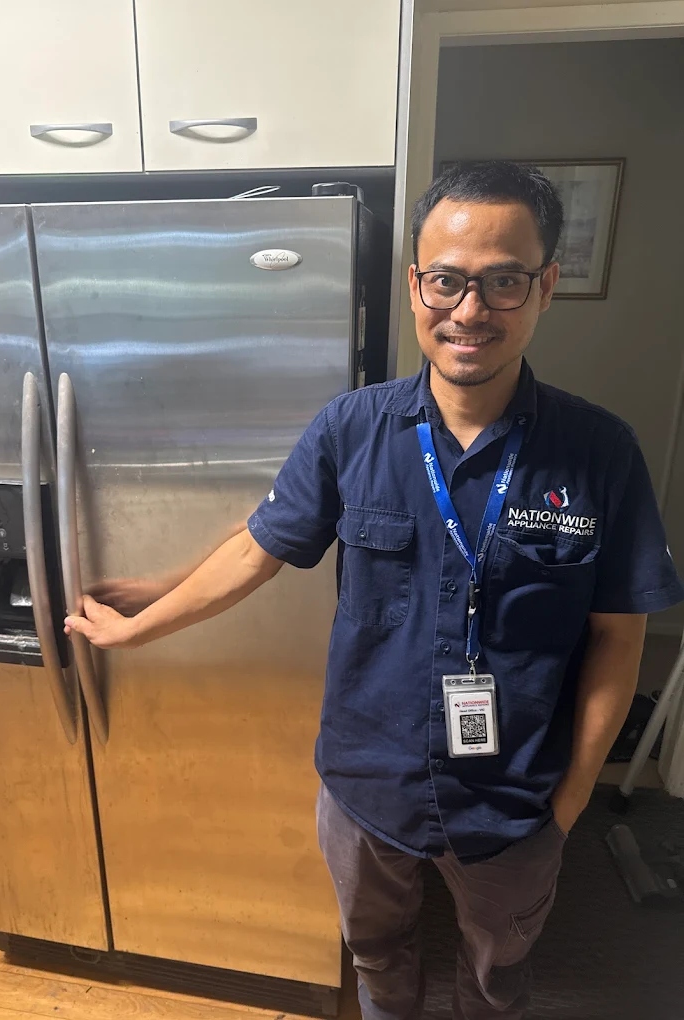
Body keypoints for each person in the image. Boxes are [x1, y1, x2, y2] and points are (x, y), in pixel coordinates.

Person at [65, 160, 684, 1020]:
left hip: (516, 796)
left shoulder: (601, 453)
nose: (469, 311)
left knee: (497, 975)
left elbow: (619, 636)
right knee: (378, 961)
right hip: (365, 785)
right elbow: (258, 546)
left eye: (503, 282)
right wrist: (146, 621)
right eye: (446, 281)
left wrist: (572, 794)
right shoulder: (349, 429)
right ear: (414, 286)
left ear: (545, 286)